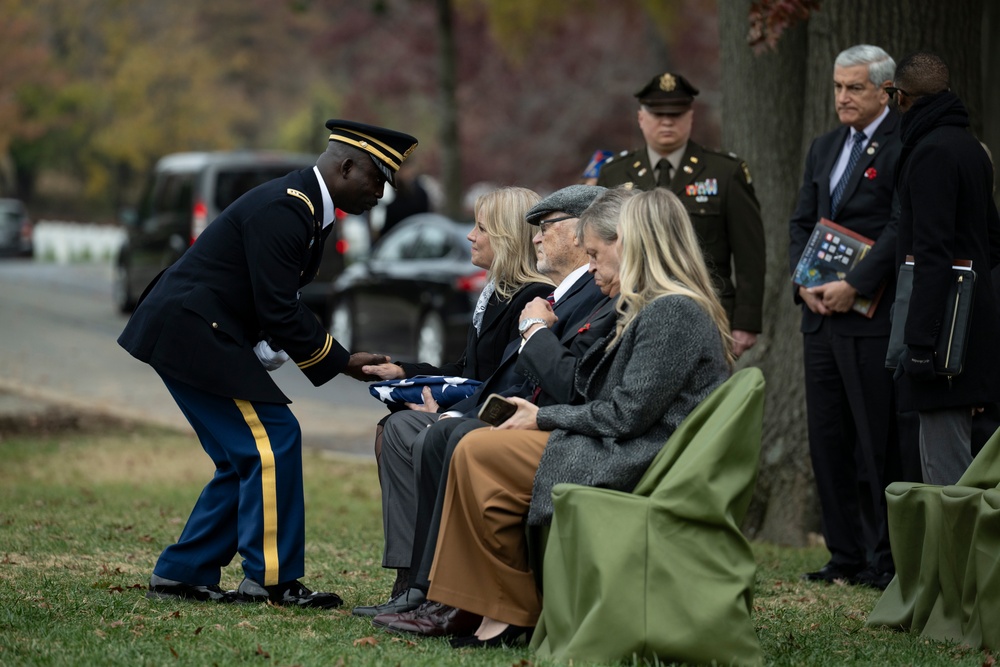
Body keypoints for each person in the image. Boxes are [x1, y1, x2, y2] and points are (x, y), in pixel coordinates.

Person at [414, 187, 733, 648]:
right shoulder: (657, 306)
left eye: (597, 255)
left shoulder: (673, 313)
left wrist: (543, 419)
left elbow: (624, 415)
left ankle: (503, 609)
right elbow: (606, 397)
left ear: (631, 244)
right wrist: (542, 415)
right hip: (623, 444)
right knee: (475, 448)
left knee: (478, 450)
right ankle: (494, 606)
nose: (593, 268)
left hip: (634, 458)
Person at [118, 119, 417, 607]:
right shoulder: (288, 207)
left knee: (245, 456)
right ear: (346, 166)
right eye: (378, 179)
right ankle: (272, 580)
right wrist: (341, 361)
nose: (381, 194)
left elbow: (269, 303)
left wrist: (300, 352)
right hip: (193, 333)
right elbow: (278, 307)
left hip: (194, 331)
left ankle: (182, 571)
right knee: (273, 442)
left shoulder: (305, 205)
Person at [367, 188, 632, 635]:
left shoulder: (567, 298)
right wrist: (415, 378)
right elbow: (486, 374)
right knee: (405, 428)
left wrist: (531, 335)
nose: (537, 237)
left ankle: (441, 591)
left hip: (569, 438)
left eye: (547, 226)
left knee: (446, 436)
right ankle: (418, 583)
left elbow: (572, 390)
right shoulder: (552, 296)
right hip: (537, 420)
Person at [358, 186, 555, 606]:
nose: (470, 236)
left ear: (504, 237)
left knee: (397, 429)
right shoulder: (496, 291)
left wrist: (448, 409)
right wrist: (406, 372)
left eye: (480, 227)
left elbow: (509, 384)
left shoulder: (530, 298)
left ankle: (418, 582)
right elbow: (467, 370)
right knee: (393, 428)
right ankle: (410, 577)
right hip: (478, 410)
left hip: (499, 420)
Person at [789, 45, 906, 591]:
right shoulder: (825, 146)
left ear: (884, 91)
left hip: (870, 314)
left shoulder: (904, 143)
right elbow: (801, 223)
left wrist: (856, 283)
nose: (842, 97)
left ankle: (885, 558)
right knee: (828, 439)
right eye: (838, 87)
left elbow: (900, 227)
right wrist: (805, 283)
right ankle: (844, 556)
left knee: (874, 440)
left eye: (854, 88)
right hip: (820, 317)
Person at [889, 51, 1000, 486]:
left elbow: (932, 253)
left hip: (942, 340)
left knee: (945, 476)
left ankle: (954, 557)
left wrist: (919, 343)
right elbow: (992, 240)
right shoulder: (970, 148)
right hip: (967, 327)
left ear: (901, 97)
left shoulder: (931, 152)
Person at [597, 71, 765, 357]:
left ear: (690, 117)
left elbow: (750, 254)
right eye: (657, 113)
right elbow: (598, 246)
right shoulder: (615, 173)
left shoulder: (724, 173)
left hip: (708, 310)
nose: (666, 121)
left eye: (675, 113)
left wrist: (746, 323)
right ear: (641, 118)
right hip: (629, 311)